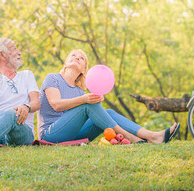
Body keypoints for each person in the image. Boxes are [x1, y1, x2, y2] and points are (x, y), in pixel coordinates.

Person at [39, 49, 180, 144]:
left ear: (84, 70)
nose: (77, 57)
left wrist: (94, 102)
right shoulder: (53, 78)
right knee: (88, 103)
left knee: (109, 112)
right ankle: (136, 137)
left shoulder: (80, 92)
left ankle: (151, 135)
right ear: (65, 63)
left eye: (81, 58)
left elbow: (93, 113)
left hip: (74, 136)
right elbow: (56, 104)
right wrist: (86, 100)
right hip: (51, 135)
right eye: (73, 55)